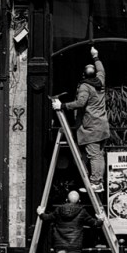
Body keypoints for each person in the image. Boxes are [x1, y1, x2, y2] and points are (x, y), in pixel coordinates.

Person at [52, 46, 110, 193]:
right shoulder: (100, 82)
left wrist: (62, 105)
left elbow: (80, 103)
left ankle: (96, 182)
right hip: (102, 126)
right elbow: (102, 70)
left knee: (94, 155)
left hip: (91, 128)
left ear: (83, 75)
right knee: (98, 155)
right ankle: (97, 181)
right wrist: (95, 56)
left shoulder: (85, 86)